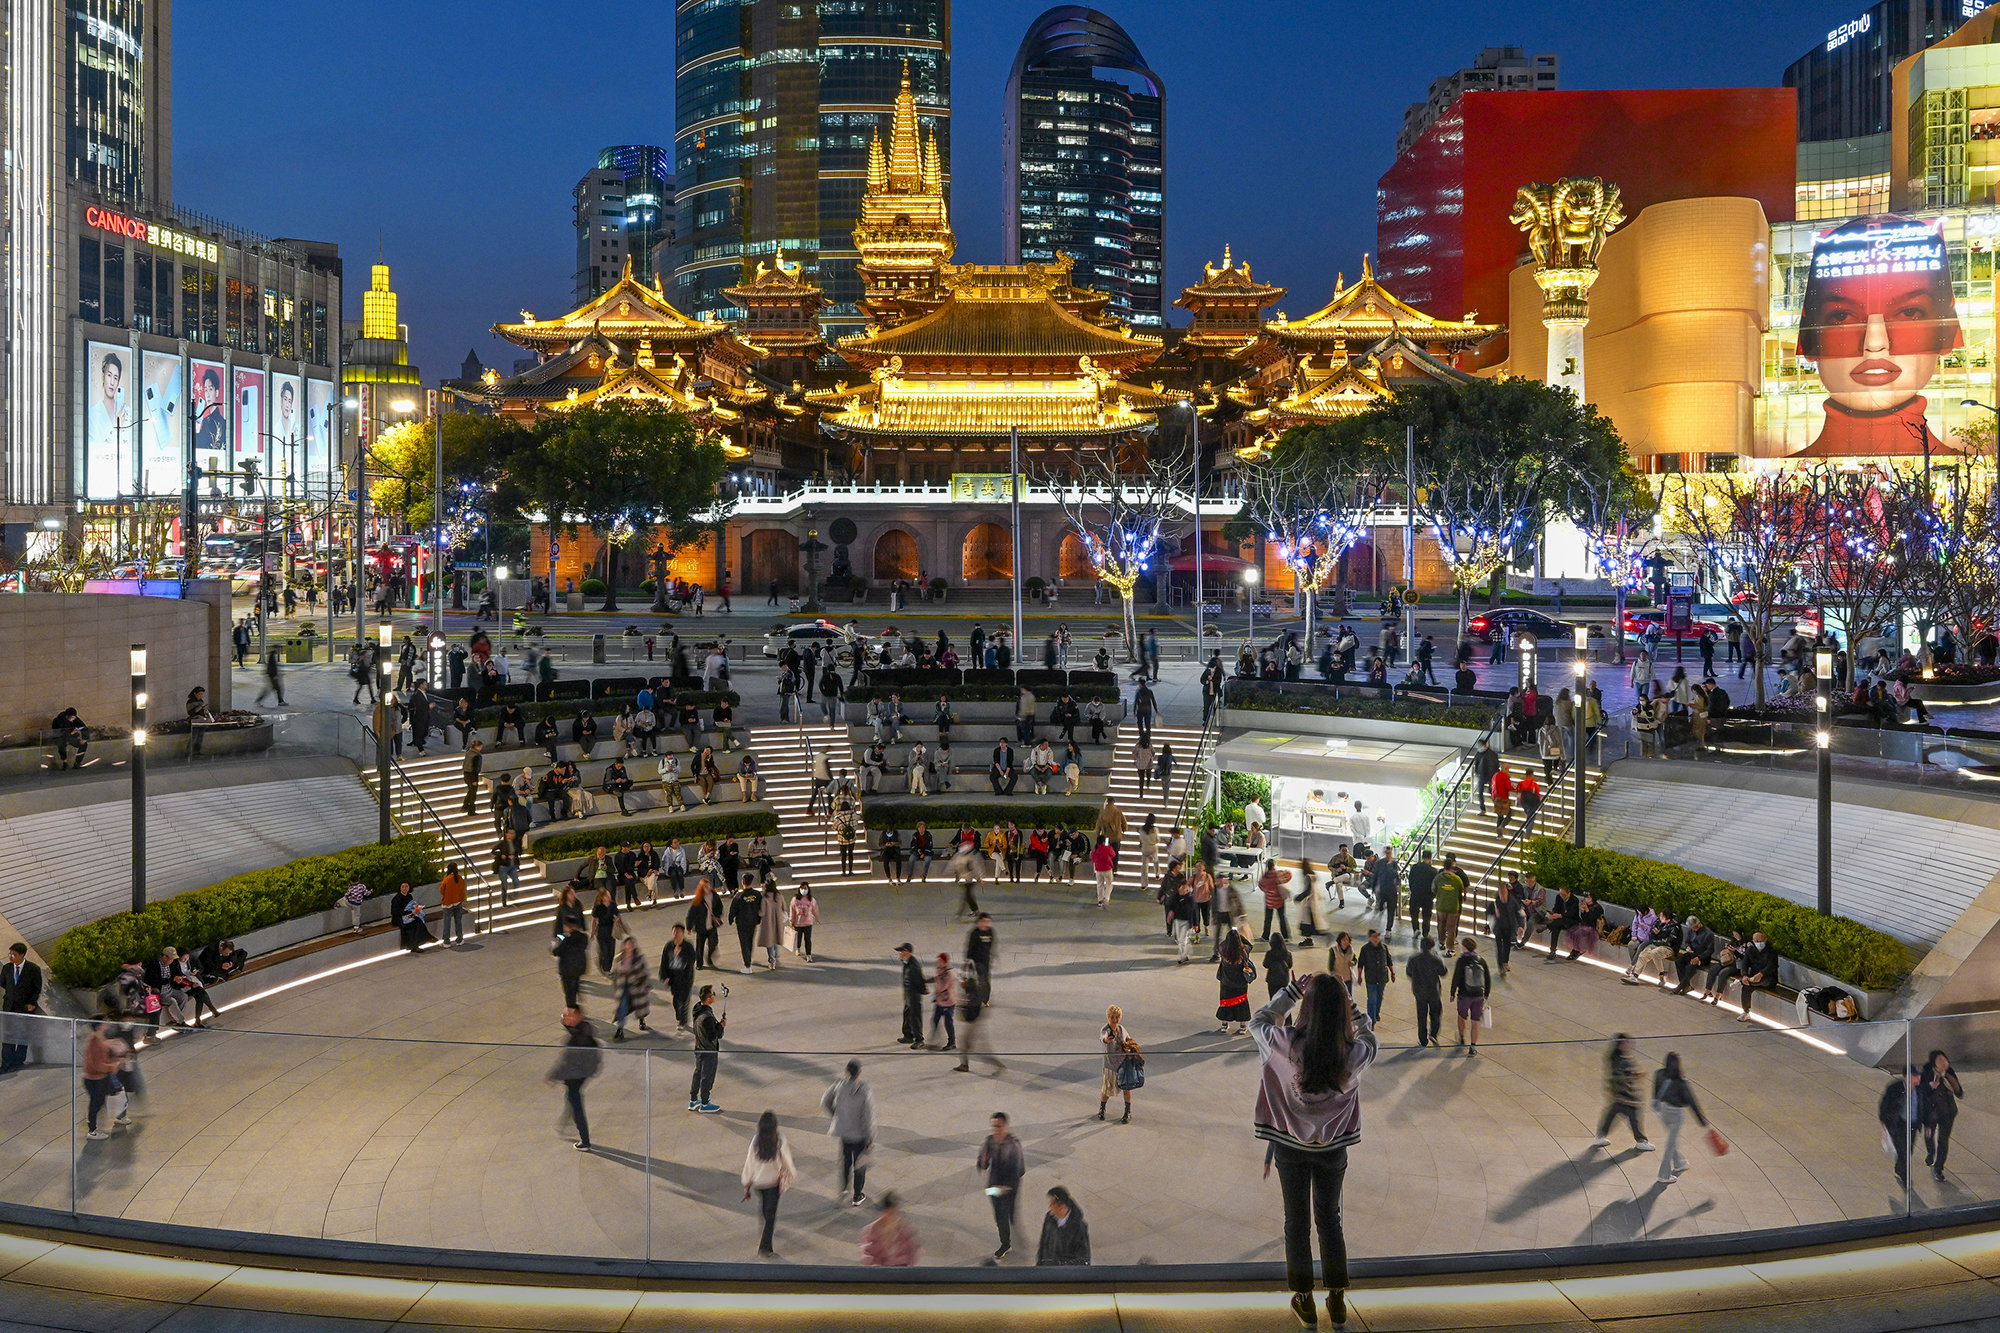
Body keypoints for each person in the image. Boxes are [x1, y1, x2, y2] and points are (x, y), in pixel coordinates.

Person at [1253, 973, 1378, 1330]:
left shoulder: (1285, 1043)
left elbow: (1257, 1021)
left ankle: (1304, 1299)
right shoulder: (1351, 1053)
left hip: (1290, 1148)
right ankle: (1337, 1298)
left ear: (1306, 1007)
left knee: (1296, 1222)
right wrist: (1352, 1008)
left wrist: (1290, 993)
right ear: (1340, 1010)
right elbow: (1370, 1038)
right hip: (1333, 1149)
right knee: (1329, 1219)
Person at [742, 1109, 797, 1256]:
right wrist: (790, 1175)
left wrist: (747, 1183)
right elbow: (786, 1161)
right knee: (771, 1215)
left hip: (758, 1184)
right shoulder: (779, 1140)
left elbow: (749, 1163)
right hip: (773, 1183)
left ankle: (766, 1229)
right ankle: (765, 1247)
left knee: (765, 1209)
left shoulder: (756, 1141)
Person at [1651, 1051, 1711, 1185]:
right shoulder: (1681, 1083)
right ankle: (1663, 1174)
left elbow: (1655, 1091)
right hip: (1676, 1114)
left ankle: (1679, 1163)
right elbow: (1691, 1102)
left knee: (1672, 1140)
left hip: (1663, 1111)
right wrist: (1702, 1121)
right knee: (1670, 1144)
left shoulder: (1659, 1073)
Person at [546, 1009, 602, 1153]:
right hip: (581, 1074)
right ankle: (567, 1122)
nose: (565, 1017)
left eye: (569, 1015)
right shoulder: (583, 1029)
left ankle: (585, 1141)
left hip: (576, 1075)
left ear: (579, 1016)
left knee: (576, 1104)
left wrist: (552, 1075)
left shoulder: (578, 1038)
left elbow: (566, 1061)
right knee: (571, 1097)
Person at [822, 1059, 876, 1207]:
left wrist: (836, 1115)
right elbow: (868, 1115)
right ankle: (857, 1195)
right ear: (859, 1073)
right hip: (859, 1134)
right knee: (859, 1164)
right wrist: (870, 1135)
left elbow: (825, 1101)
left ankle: (844, 1190)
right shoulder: (865, 1090)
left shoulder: (838, 1085)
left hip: (844, 1132)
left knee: (845, 1161)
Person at [1590, 1035, 1657, 1154]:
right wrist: (1634, 1076)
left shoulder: (1616, 1058)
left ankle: (1600, 1137)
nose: (1630, 1045)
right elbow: (1620, 1076)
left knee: (1611, 1114)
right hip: (1626, 1096)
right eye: (1627, 1043)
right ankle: (1641, 1141)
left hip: (1619, 1095)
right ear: (1621, 1045)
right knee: (1633, 1118)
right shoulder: (1621, 1060)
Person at [976, 1111, 1026, 1263]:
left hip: (1009, 1188)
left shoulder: (1013, 1145)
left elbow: (1019, 1169)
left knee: (1007, 1214)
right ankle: (1006, 1238)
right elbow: (982, 1162)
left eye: (999, 1126)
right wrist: (982, 1162)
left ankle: (1005, 1244)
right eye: (994, 1126)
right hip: (994, 1187)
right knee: (999, 1216)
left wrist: (1007, 1187)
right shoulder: (990, 1141)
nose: (995, 1129)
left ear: (1006, 1126)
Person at [1921, 1050, 1964, 1182]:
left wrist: (1947, 1077)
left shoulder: (1949, 1073)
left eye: (1944, 1060)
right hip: (1930, 1114)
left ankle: (1938, 1168)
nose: (1943, 1063)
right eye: (1940, 1061)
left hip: (1947, 1113)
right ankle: (1930, 1152)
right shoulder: (1927, 1073)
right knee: (1929, 1135)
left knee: (1943, 1141)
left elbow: (1959, 1093)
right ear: (1934, 1063)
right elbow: (1920, 1092)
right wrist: (1930, 1086)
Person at [1, 943, 44, 1073]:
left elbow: (37, 989)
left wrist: (31, 1002)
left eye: (14, 954)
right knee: (8, 1036)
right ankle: (6, 1063)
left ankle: (18, 1062)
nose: (11, 957)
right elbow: (3, 982)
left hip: (24, 1008)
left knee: (22, 1036)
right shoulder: (7, 968)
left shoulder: (33, 969)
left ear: (22, 955)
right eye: (10, 954)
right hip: (9, 1007)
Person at [1881, 1064, 1923, 1188]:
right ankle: (1905, 1176)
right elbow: (1884, 1104)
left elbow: (1923, 1107)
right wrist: (1884, 1119)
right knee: (1903, 1151)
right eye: (1915, 1076)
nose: (1918, 1079)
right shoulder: (1894, 1088)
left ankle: (1899, 1168)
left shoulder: (1920, 1089)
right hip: (1898, 1124)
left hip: (1913, 1125)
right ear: (1907, 1077)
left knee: (1908, 1150)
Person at [689, 984, 726, 1113]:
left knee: (698, 1073)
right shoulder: (708, 1017)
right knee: (707, 1076)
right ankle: (705, 1103)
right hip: (708, 1050)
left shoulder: (697, 1009)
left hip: (699, 1048)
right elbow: (714, 1036)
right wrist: (721, 1026)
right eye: (713, 994)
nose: (715, 995)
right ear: (709, 998)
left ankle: (693, 1100)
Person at [1449, 937, 1489, 1054]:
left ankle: (1461, 1038)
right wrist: (1486, 994)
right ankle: (1473, 1047)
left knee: (1462, 1016)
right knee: (1476, 1021)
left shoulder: (1461, 961)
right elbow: (1487, 978)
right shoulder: (1481, 960)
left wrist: (1452, 993)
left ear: (1465, 947)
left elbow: (1456, 978)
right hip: (1478, 995)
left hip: (1464, 995)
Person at [860, 1192, 922, 1266]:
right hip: (881, 1270)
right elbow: (867, 1252)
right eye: (888, 1213)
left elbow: (914, 1250)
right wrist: (874, 1267)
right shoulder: (872, 1230)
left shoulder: (905, 1229)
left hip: (902, 1268)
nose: (891, 1217)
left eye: (893, 1213)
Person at [1035, 1186, 1092, 1266]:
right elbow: (1043, 1242)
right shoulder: (1049, 1218)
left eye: (1052, 1204)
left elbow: (1083, 1258)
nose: (1049, 1207)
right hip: (1048, 1269)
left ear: (1062, 1207)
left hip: (1064, 1273)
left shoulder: (1079, 1227)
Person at [1407, 935, 1447, 1048]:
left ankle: (1422, 1039)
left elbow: (1409, 972)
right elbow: (1443, 972)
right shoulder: (1435, 959)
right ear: (1432, 946)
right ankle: (1433, 1033)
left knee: (1421, 1015)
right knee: (1436, 1013)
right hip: (1433, 991)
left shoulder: (1413, 959)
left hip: (1419, 992)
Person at [1215, 929, 1257, 1036]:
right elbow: (1250, 945)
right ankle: (1242, 1026)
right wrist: (1240, 937)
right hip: (1240, 983)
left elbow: (1221, 944)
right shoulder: (1243, 951)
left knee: (1226, 1002)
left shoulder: (1223, 950)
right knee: (1241, 1003)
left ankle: (1224, 1024)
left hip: (1226, 982)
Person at [1098, 1004, 1136, 1123]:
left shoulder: (1121, 1029)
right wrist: (1106, 1040)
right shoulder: (1105, 1030)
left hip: (1123, 1064)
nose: (1115, 1020)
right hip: (1111, 1066)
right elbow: (1103, 1038)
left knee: (1127, 1088)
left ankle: (1127, 1112)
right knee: (1107, 1089)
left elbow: (1129, 1040)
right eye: (1112, 1017)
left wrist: (1128, 1048)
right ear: (1108, 1017)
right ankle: (1102, 1108)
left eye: (1117, 1017)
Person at [610, 936, 652, 1041]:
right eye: (627, 944)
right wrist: (615, 986)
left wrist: (646, 985)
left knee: (639, 1006)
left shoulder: (639, 958)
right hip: (623, 988)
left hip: (637, 987)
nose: (628, 946)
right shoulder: (618, 959)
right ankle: (620, 1030)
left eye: (630, 944)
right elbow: (615, 974)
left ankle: (641, 1020)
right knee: (622, 1008)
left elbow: (645, 973)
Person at [553, 886, 589, 1007]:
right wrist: (557, 936)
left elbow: (582, 917)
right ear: (566, 895)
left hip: (574, 932)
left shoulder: (578, 905)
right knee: (565, 949)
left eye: (574, 893)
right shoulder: (562, 908)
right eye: (571, 894)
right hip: (564, 934)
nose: (573, 896)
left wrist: (583, 929)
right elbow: (558, 922)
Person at [659, 923, 697, 1031]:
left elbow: (692, 960)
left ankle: (683, 1021)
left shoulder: (688, 946)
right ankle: (679, 1016)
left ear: (683, 934)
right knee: (676, 1001)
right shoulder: (668, 946)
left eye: (679, 933)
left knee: (684, 1000)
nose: (676, 935)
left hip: (685, 978)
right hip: (673, 978)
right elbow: (664, 962)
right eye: (675, 933)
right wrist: (664, 976)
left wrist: (681, 954)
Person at [1356, 928, 1394, 1026]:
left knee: (1379, 997)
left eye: (1377, 936)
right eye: (1374, 937)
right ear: (1370, 938)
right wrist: (1359, 976)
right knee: (1372, 999)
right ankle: (1371, 1019)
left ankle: (1376, 1014)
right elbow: (1360, 963)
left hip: (1382, 977)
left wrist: (1392, 973)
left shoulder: (1384, 948)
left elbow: (1389, 961)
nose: (1376, 939)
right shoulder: (1365, 949)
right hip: (1371, 978)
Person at [896, 943, 928, 1046]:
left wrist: (923, 990)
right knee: (907, 1015)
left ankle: (919, 1040)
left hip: (914, 995)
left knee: (915, 1017)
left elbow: (919, 979)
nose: (900, 954)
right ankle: (908, 1036)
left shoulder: (914, 965)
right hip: (908, 995)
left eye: (901, 951)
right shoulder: (907, 962)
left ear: (907, 952)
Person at [728, 878, 762, 975]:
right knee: (750, 941)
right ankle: (749, 959)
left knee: (744, 943)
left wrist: (731, 919)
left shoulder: (739, 896)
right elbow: (761, 907)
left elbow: (733, 909)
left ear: (743, 882)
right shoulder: (757, 894)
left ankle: (747, 965)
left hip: (742, 923)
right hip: (753, 922)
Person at [1259, 859, 1294, 942]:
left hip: (1269, 901)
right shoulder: (1279, 874)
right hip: (1279, 900)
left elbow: (1261, 885)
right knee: (1282, 918)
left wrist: (1268, 891)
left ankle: (1265, 936)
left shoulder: (1265, 876)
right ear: (1274, 865)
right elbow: (1289, 875)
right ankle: (1286, 936)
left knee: (1268, 919)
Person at [930, 953, 958, 1050]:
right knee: (935, 1019)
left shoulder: (949, 973)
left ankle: (952, 1042)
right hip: (940, 1001)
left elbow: (943, 986)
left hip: (948, 1002)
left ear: (944, 962)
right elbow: (937, 980)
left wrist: (936, 990)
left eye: (940, 960)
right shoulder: (939, 969)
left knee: (948, 1022)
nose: (938, 962)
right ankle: (935, 1039)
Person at [788, 883, 818, 963]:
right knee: (798, 938)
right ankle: (798, 948)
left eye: (805, 888)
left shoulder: (811, 899)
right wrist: (791, 920)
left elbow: (814, 909)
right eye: (802, 888)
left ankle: (809, 955)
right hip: (798, 923)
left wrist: (815, 917)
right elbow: (792, 911)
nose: (803, 890)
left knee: (808, 939)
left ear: (808, 889)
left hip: (808, 923)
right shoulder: (795, 899)